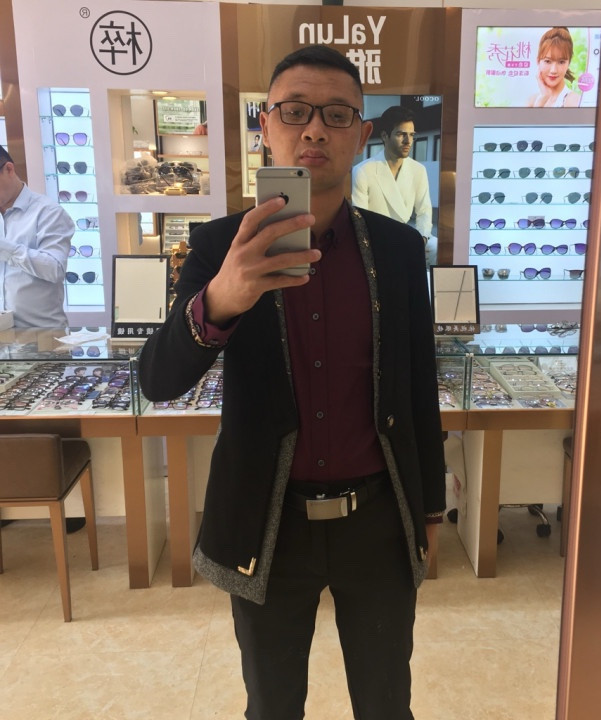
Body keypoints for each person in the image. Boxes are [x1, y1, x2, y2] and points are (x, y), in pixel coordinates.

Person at [139, 44, 445, 720]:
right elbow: (158, 379)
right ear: (266, 126)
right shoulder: (219, 246)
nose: (315, 130)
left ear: (361, 136)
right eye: (295, 111)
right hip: (267, 519)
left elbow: (419, 386)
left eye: (337, 115)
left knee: (387, 704)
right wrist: (222, 299)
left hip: (377, 519)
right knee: (272, 706)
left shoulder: (398, 250)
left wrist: (430, 510)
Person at [351, 105, 436, 263]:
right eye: (401, 134)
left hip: (406, 236)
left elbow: (424, 211)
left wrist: (422, 239)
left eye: (411, 135)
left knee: (435, 246)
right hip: (377, 239)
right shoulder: (363, 170)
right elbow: (360, 220)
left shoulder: (418, 170)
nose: (408, 141)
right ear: (385, 136)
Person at [0, 146, 74, 328]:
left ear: (9, 169)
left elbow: (54, 269)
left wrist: (5, 249)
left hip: (42, 336)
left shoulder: (48, 212)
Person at [527, 27, 582, 108]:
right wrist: (543, 98)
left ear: (569, 63)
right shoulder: (532, 100)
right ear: (538, 61)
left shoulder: (574, 101)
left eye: (561, 62)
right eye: (547, 61)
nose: (553, 70)